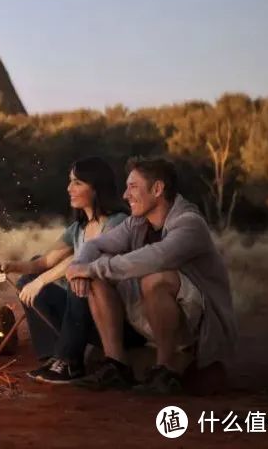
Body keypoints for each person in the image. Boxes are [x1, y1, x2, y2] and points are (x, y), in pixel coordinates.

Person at [66, 156, 238, 394]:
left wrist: (90, 268)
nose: (125, 196)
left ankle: (166, 370)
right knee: (97, 272)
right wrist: (81, 266)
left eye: (133, 187)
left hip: (198, 325)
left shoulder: (189, 224)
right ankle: (116, 366)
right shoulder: (136, 223)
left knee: (154, 277)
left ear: (157, 189)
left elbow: (155, 258)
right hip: (151, 313)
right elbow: (96, 245)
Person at [0, 157, 129, 383]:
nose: (69, 188)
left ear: (96, 187)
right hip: (82, 317)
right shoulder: (78, 228)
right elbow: (44, 262)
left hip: (113, 317)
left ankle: (69, 361)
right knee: (26, 281)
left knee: (79, 279)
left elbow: (85, 259)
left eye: (77, 183)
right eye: (70, 182)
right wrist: (11, 266)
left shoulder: (118, 222)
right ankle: (54, 355)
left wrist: (42, 281)